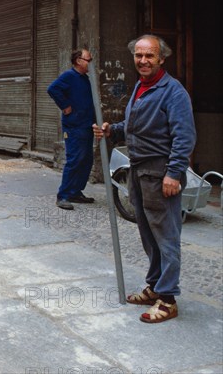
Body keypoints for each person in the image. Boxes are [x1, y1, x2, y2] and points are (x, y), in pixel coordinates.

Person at [93, 34, 196, 323]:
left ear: (161, 58)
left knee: (166, 236)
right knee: (149, 235)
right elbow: (136, 127)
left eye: (149, 56)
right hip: (139, 170)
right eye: (139, 55)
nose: (143, 60)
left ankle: (168, 299)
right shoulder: (141, 86)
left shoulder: (172, 92)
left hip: (160, 172)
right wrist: (113, 129)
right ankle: (154, 286)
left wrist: (174, 174)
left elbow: (184, 137)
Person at [47, 48, 96, 210]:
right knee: (75, 159)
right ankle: (63, 195)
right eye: (88, 60)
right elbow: (52, 89)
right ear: (78, 61)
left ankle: (76, 192)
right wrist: (65, 106)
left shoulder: (85, 78)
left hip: (86, 124)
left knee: (86, 159)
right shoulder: (69, 76)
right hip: (75, 125)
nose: (90, 63)